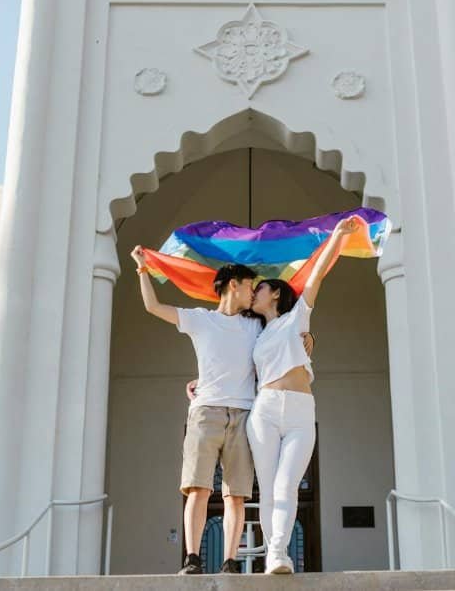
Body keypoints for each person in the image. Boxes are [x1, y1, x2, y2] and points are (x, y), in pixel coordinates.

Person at [129, 247, 311, 575]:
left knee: (236, 494)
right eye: (249, 285)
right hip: (205, 413)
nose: (253, 291)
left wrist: (306, 337)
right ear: (232, 285)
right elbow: (152, 306)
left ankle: (229, 561)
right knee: (198, 487)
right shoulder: (201, 319)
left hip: (244, 415)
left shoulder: (255, 326)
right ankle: (193, 559)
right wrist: (143, 269)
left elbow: (283, 336)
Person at [246, 215, 361, 574]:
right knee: (268, 486)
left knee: (287, 483)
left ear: (276, 292)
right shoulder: (252, 335)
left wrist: (337, 239)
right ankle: (276, 554)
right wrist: (199, 385)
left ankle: (278, 552)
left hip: (298, 410)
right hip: (264, 410)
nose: (253, 295)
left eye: (259, 289)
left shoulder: (296, 320)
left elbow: (316, 277)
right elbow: (224, 365)